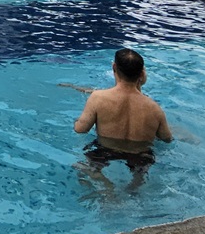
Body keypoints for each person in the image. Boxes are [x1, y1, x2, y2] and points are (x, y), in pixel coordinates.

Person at [73, 48, 172, 186]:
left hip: (105, 150)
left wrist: (76, 122)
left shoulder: (98, 98)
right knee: (140, 175)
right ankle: (135, 185)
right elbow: (167, 139)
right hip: (141, 155)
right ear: (142, 73)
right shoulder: (155, 108)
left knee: (82, 166)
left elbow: (81, 129)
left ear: (114, 67)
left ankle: (107, 186)